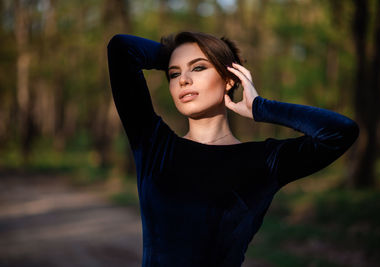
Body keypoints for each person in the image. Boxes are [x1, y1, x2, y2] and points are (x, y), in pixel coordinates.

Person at [107, 31, 359, 267]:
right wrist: (176, 54)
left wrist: (261, 107)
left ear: (230, 79)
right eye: (174, 74)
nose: (183, 79)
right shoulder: (155, 147)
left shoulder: (264, 162)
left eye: (198, 67)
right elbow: (122, 48)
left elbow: (340, 132)